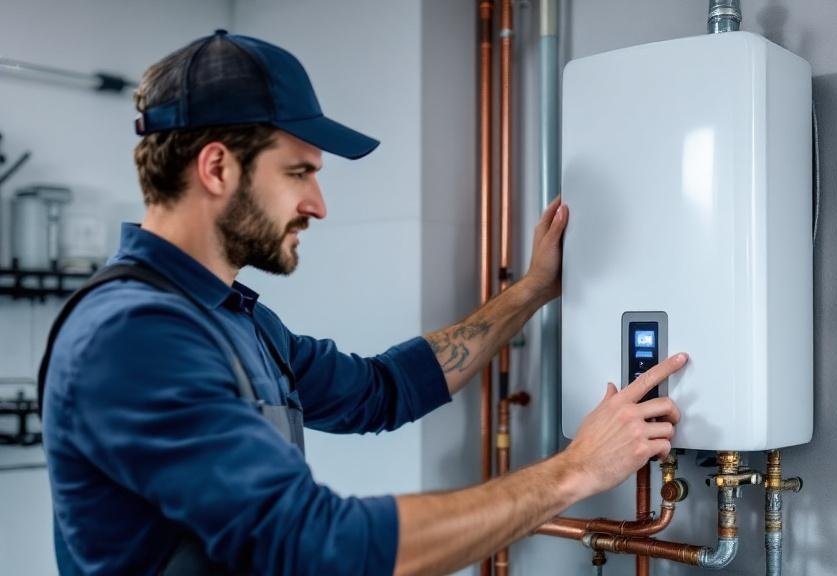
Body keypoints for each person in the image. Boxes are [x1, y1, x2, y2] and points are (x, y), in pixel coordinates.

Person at [40, 30, 687, 576]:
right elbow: (314, 545)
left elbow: (383, 389)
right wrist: (574, 472)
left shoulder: (235, 320)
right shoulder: (132, 337)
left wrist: (532, 292)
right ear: (216, 168)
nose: (319, 205)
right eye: (300, 173)